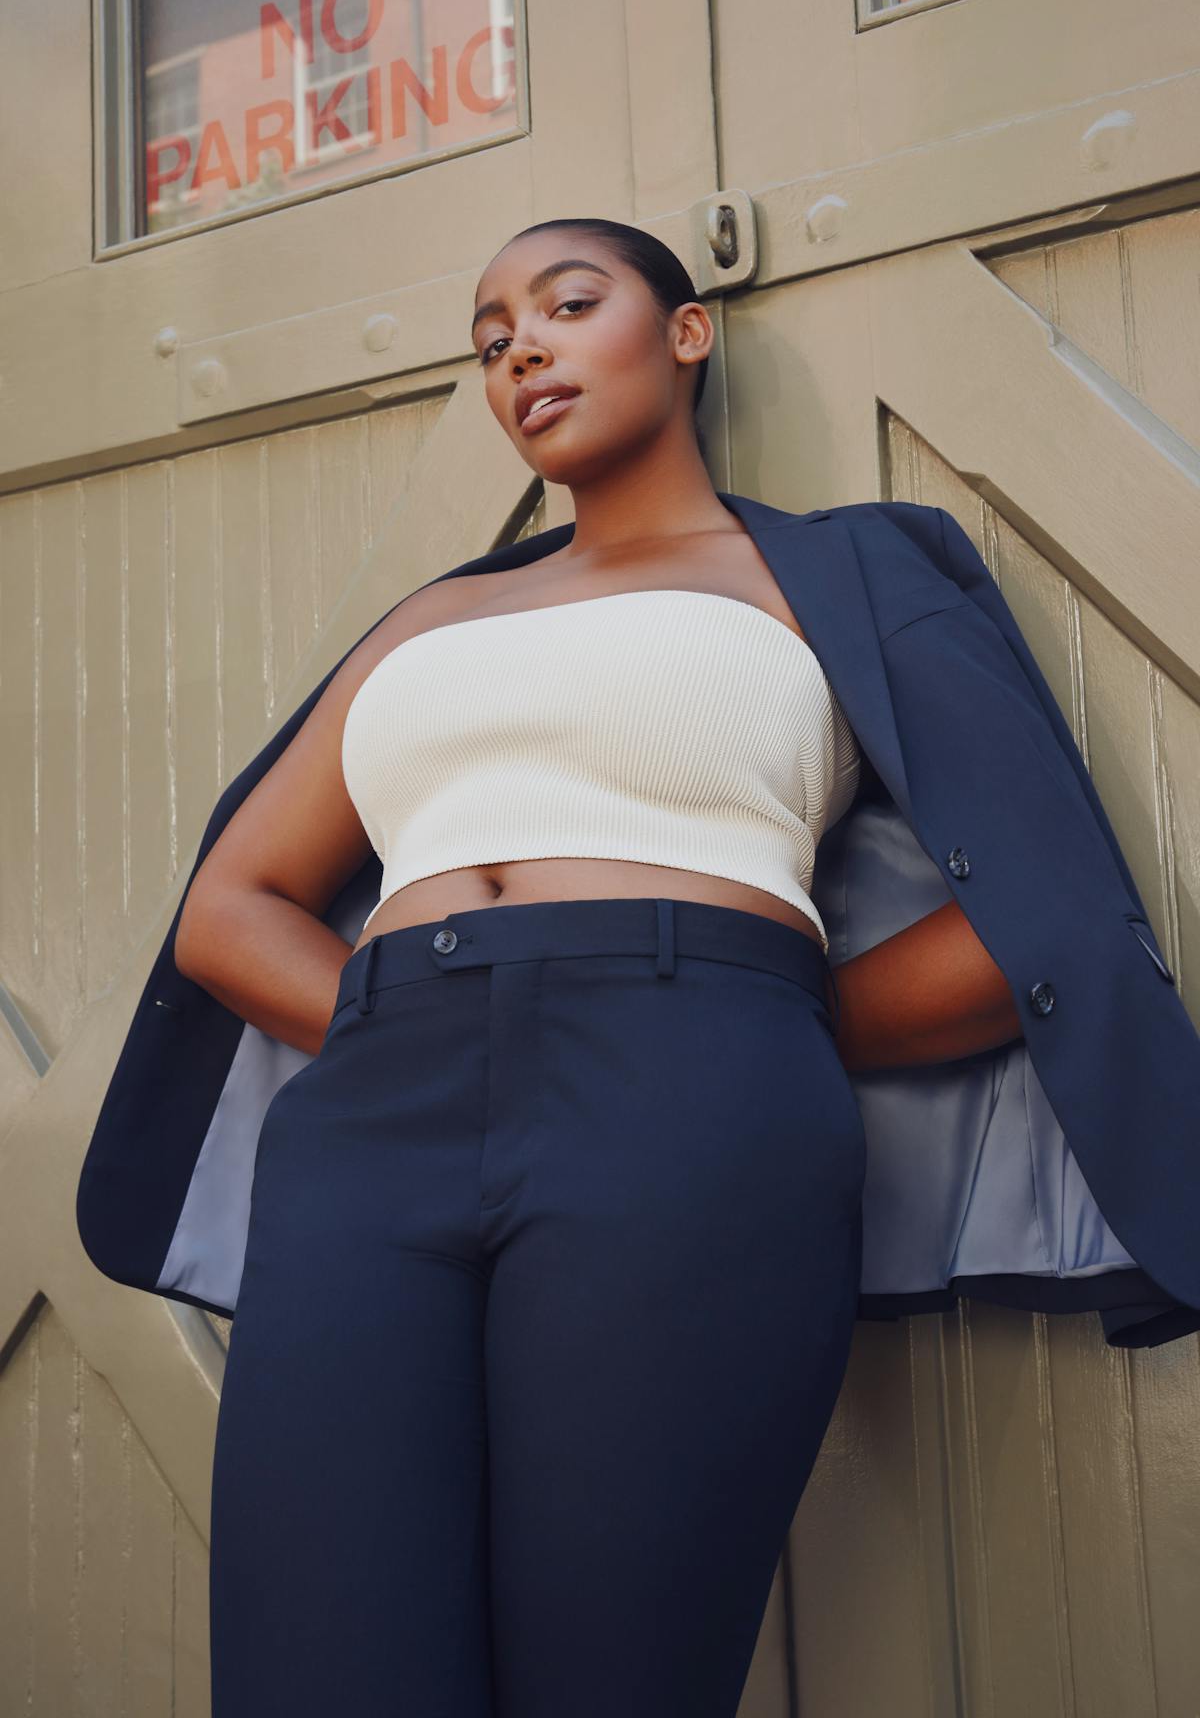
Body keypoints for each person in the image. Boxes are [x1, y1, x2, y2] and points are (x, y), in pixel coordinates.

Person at [90, 217, 1198, 1716]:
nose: (522, 349)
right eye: (491, 341)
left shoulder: (845, 572)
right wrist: (384, 1024)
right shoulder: (431, 615)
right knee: (320, 1660)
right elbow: (231, 908)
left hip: (691, 1092)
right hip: (376, 1113)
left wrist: (750, 1016)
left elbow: (1035, 920)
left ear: (685, 333)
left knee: (608, 1668)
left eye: (565, 303)